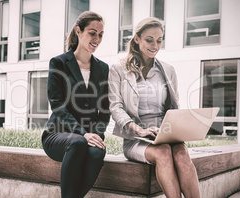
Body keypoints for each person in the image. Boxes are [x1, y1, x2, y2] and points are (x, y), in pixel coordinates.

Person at [108, 17, 200, 198]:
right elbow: (115, 107)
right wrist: (139, 130)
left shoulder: (168, 70)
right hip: (135, 138)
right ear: (137, 39)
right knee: (163, 153)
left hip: (165, 134)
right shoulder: (117, 69)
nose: (155, 45)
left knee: (181, 154)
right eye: (149, 40)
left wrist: (175, 129)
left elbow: (174, 107)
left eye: (159, 40)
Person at [41, 11, 110, 198]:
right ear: (78, 31)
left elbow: (104, 110)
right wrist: (83, 133)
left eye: (101, 35)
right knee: (78, 142)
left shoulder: (103, 68)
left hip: (89, 136)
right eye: (92, 33)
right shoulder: (59, 63)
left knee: (97, 153)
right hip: (58, 135)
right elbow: (57, 105)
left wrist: (96, 135)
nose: (97, 39)